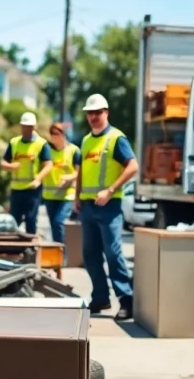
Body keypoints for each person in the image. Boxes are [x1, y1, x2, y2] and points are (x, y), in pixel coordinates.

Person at [75, 93, 139, 321]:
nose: (93, 116)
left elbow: (133, 166)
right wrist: (76, 196)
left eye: (98, 112)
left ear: (106, 113)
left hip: (109, 205)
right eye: (90, 113)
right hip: (88, 206)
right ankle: (101, 298)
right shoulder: (85, 140)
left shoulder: (116, 139)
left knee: (113, 253)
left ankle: (126, 300)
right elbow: (81, 169)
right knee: (90, 254)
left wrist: (110, 190)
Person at [0, 111, 52, 234]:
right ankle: (14, 250)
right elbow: (2, 163)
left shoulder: (41, 144)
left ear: (34, 127)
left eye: (29, 126)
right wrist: (11, 166)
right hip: (16, 189)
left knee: (31, 220)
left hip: (32, 190)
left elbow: (48, 165)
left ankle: (30, 250)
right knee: (14, 221)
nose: (26, 129)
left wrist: (38, 179)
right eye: (24, 126)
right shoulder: (14, 143)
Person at [43, 122, 80, 244]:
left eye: (57, 133)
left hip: (67, 195)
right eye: (52, 134)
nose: (53, 136)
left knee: (59, 222)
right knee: (54, 225)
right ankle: (58, 253)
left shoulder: (74, 151)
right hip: (50, 195)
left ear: (63, 134)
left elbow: (78, 173)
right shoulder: (47, 151)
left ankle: (64, 253)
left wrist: (68, 177)